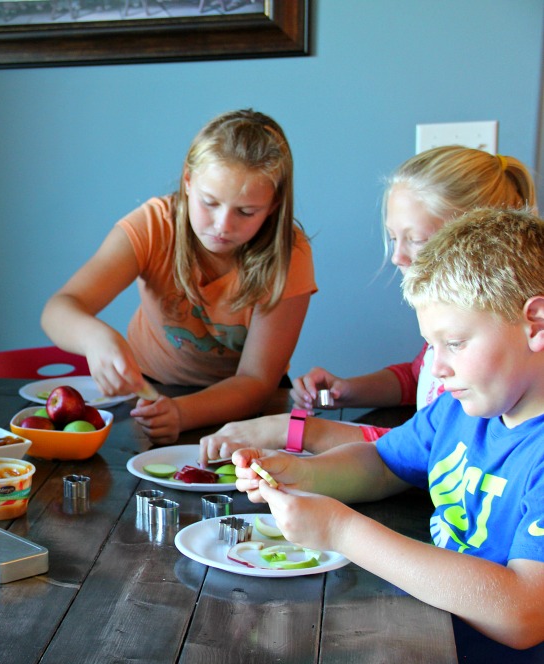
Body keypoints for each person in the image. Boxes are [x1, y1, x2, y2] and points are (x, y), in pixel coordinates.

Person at [233, 208, 544, 655]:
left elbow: (524, 614)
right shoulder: (458, 410)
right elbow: (383, 463)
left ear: (536, 324)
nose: (437, 367)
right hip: (418, 630)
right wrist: (303, 474)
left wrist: (341, 531)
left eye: (455, 343)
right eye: (431, 346)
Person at [200, 147, 536, 464]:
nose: (397, 256)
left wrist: (295, 430)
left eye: (417, 240)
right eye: (393, 237)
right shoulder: (454, 342)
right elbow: (418, 376)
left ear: (478, 238)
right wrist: (350, 390)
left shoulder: (494, 364)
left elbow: (422, 449)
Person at [41, 109, 316, 444]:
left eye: (246, 211)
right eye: (209, 202)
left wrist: (184, 413)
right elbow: (58, 309)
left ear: (273, 205)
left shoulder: (289, 253)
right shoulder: (154, 225)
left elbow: (257, 381)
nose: (223, 225)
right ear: (188, 181)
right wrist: (93, 339)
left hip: (246, 406)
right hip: (151, 392)